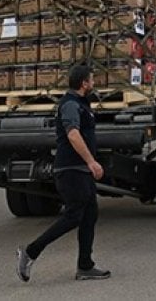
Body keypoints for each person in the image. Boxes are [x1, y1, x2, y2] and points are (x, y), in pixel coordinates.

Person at [17, 65, 110, 283]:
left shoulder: (80, 104)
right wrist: (91, 162)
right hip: (71, 170)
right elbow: (73, 135)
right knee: (73, 216)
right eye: (92, 80)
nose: (94, 83)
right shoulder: (70, 105)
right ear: (84, 83)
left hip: (79, 170)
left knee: (89, 215)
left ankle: (85, 266)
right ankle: (31, 252)